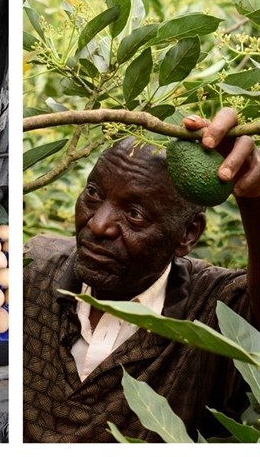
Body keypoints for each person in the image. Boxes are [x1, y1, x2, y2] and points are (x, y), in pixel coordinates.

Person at [23, 107, 260, 443]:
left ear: (187, 236)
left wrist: (255, 201)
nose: (98, 224)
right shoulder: (33, 270)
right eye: (93, 194)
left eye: (134, 214)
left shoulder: (214, 311)